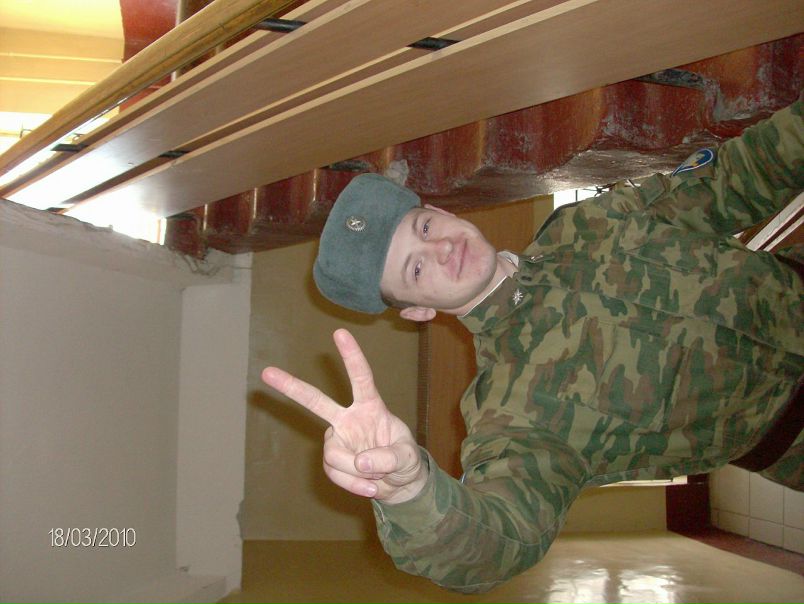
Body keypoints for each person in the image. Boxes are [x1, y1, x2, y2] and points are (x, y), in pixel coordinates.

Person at [262, 100, 803, 593]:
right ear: (417, 311)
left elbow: (740, 177)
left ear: (442, 212)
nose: (440, 248)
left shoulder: (593, 222)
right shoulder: (510, 410)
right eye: (416, 269)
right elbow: (503, 539)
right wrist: (411, 493)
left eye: (423, 227)